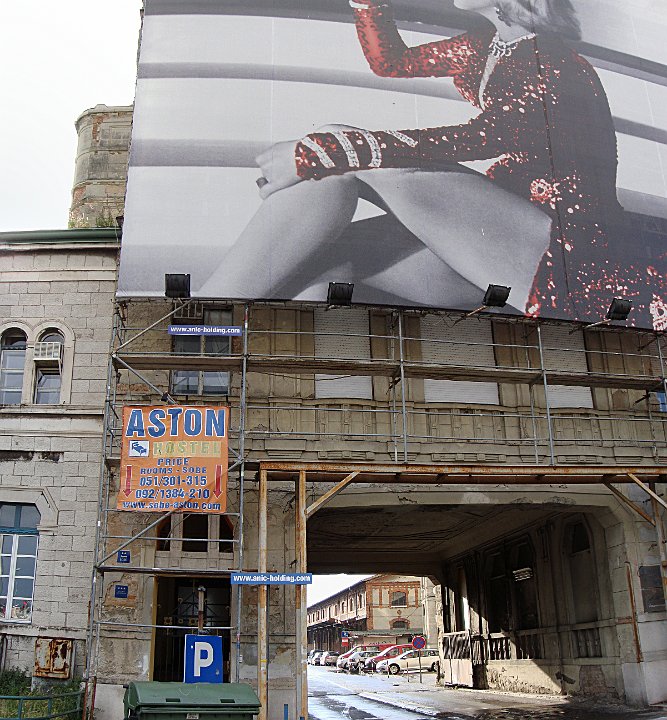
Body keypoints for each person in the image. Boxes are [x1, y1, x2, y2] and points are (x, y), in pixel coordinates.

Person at [200, 0, 666, 328]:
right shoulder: (489, 47)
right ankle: (206, 323)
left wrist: (319, 151)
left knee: (337, 148)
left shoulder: (552, 63)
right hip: (498, 241)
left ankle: (198, 321)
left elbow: (479, 138)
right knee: (310, 257)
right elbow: (392, 62)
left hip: (565, 251)